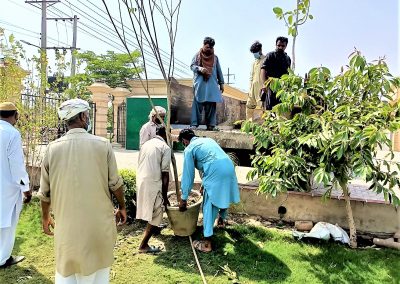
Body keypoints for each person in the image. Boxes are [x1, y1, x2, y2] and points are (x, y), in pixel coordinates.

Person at [37, 98, 127, 284]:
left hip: (66, 229)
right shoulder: (103, 145)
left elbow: (45, 194)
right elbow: (115, 185)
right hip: (98, 228)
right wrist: (122, 207)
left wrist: (45, 217)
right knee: (99, 274)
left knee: (66, 273)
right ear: (84, 116)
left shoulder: (52, 149)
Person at [178, 129, 240, 252]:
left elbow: (188, 175)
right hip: (229, 167)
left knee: (208, 206)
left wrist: (184, 198)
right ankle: (221, 221)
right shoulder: (207, 140)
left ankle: (207, 244)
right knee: (223, 193)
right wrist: (204, 183)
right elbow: (207, 162)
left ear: (184, 141)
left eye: (182, 143)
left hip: (215, 172)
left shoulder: (189, 149)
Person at [0, 102, 31, 268]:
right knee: (7, 224)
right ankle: (3, 259)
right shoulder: (12, 133)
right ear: (15, 115)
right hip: (7, 190)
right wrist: (26, 189)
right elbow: (17, 167)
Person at [136, 125, 171, 253]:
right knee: (158, 210)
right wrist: (166, 197)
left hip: (141, 180)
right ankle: (143, 245)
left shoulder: (146, 144)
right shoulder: (165, 147)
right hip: (153, 182)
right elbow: (165, 174)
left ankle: (155, 229)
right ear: (167, 134)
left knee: (149, 208)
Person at [190, 37, 225, 131]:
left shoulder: (215, 58)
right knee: (197, 105)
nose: (208, 49)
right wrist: (200, 69)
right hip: (200, 85)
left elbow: (219, 71)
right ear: (203, 45)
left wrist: (221, 83)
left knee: (211, 106)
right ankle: (194, 124)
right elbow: (192, 66)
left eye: (210, 47)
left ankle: (211, 125)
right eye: (207, 47)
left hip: (212, 85)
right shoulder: (197, 55)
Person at [260, 36, 291, 110]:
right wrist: (264, 85)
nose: (280, 47)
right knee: (270, 110)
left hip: (282, 88)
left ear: (286, 46)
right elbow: (263, 69)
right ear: (276, 45)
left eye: (283, 46)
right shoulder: (270, 55)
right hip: (271, 86)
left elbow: (288, 74)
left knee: (280, 110)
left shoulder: (287, 59)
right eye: (279, 45)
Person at [246, 41, 266, 120]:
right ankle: (249, 125)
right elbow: (251, 76)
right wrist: (250, 88)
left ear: (260, 50)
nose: (254, 54)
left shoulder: (265, 59)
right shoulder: (254, 62)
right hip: (252, 88)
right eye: (253, 52)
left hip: (261, 87)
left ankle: (265, 126)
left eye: (255, 52)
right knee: (249, 106)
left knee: (263, 107)